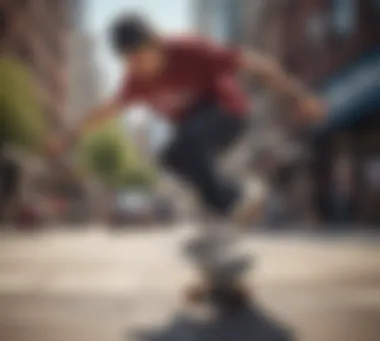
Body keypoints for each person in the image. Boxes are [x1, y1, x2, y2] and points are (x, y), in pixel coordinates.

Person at [48, 14, 325, 299]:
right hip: (195, 139)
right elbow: (105, 111)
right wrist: (68, 138)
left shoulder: (191, 51)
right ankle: (219, 270)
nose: (140, 68)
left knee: (186, 146)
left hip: (230, 115)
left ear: (157, 44)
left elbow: (258, 66)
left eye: (142, 57)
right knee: (173, 163)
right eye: (129, 62)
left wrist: (300, 96)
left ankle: (239, 196)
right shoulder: (135, 82)